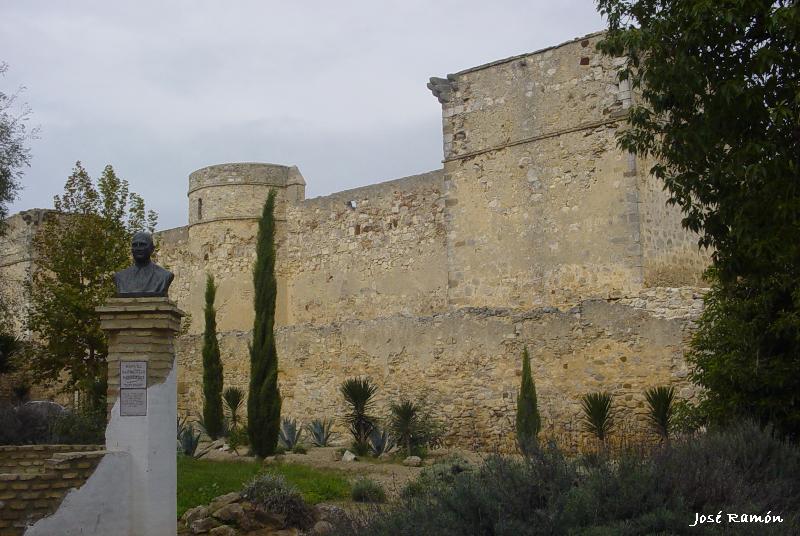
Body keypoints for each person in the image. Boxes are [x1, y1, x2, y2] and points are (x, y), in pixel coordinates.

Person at [113, 232, 174, 297]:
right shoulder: (120, 277)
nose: (138, 248)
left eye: (142, 244)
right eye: (135, 245)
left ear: (152, 249)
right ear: (131, 249)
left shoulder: (164, 276)